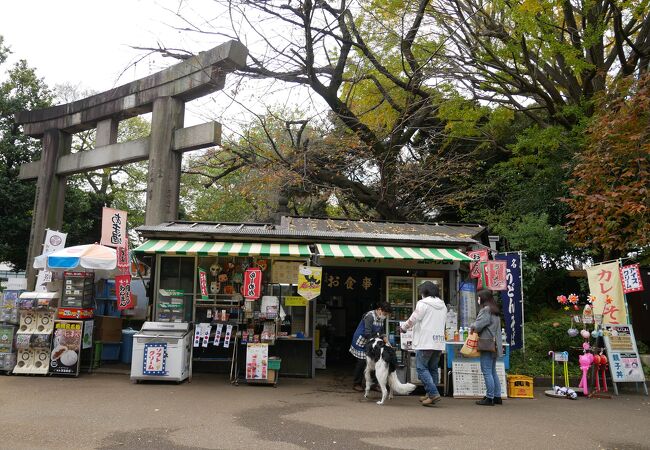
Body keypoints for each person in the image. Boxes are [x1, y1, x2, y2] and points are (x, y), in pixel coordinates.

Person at [400, 281, 447, 407]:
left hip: (425, 341)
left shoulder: (423, 304)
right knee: (433, 369)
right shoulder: (443, 305)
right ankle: (429, 394)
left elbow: (413, 319)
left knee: (421, 368)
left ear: (424, 292)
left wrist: (404, 327)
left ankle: (433, 393)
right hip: (438, 342)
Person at [470, 289, 503, 406]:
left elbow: (478, 325)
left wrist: (471, 325)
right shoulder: (495, 310)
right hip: (495, 344)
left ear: (483, 298)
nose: (478, 299)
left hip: (487, 344)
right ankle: (497, 396)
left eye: (479, 297)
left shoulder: (485, 310)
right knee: (493, 371)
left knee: (487, 371)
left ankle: (489, 398)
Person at [350, 302, 392, 392]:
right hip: (361, 341)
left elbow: (382, 331)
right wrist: (378, 340)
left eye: (387, 315)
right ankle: (356, 383)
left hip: (372, 342)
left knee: (374, 361)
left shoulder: (381, 317)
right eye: (385, 314)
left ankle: (373, 384)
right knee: (362, 362)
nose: (385, 316)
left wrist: (386, 341)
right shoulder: (370, 316)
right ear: (380, 310)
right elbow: (367, 333)